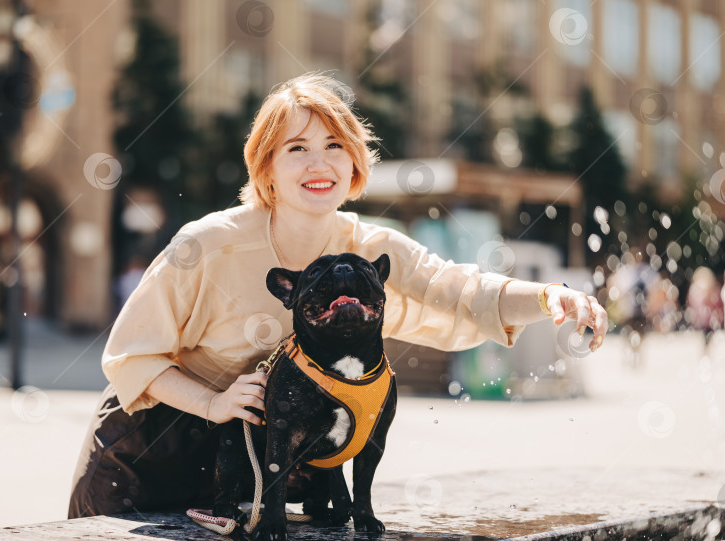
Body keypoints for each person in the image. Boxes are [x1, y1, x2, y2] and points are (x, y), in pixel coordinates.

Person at [67, 72, 609, 519]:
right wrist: (212, 402)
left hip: (250, 461)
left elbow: (459, 290)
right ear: (268, 169)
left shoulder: (364, 250)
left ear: (353, 163)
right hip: (148, 449)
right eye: (296, 148)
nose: (318, 163)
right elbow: (129, 356)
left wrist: (548, 297)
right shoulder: (208, 244)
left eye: (333, 146)